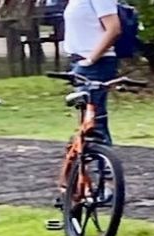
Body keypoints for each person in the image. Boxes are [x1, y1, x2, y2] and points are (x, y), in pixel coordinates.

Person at [63, 0, 122, 143]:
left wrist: (91, 59)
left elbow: (113, 28)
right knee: (87, 120)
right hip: (80, 61)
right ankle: (90, 161)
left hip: (96, 63)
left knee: (95, 121)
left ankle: (103, 162)